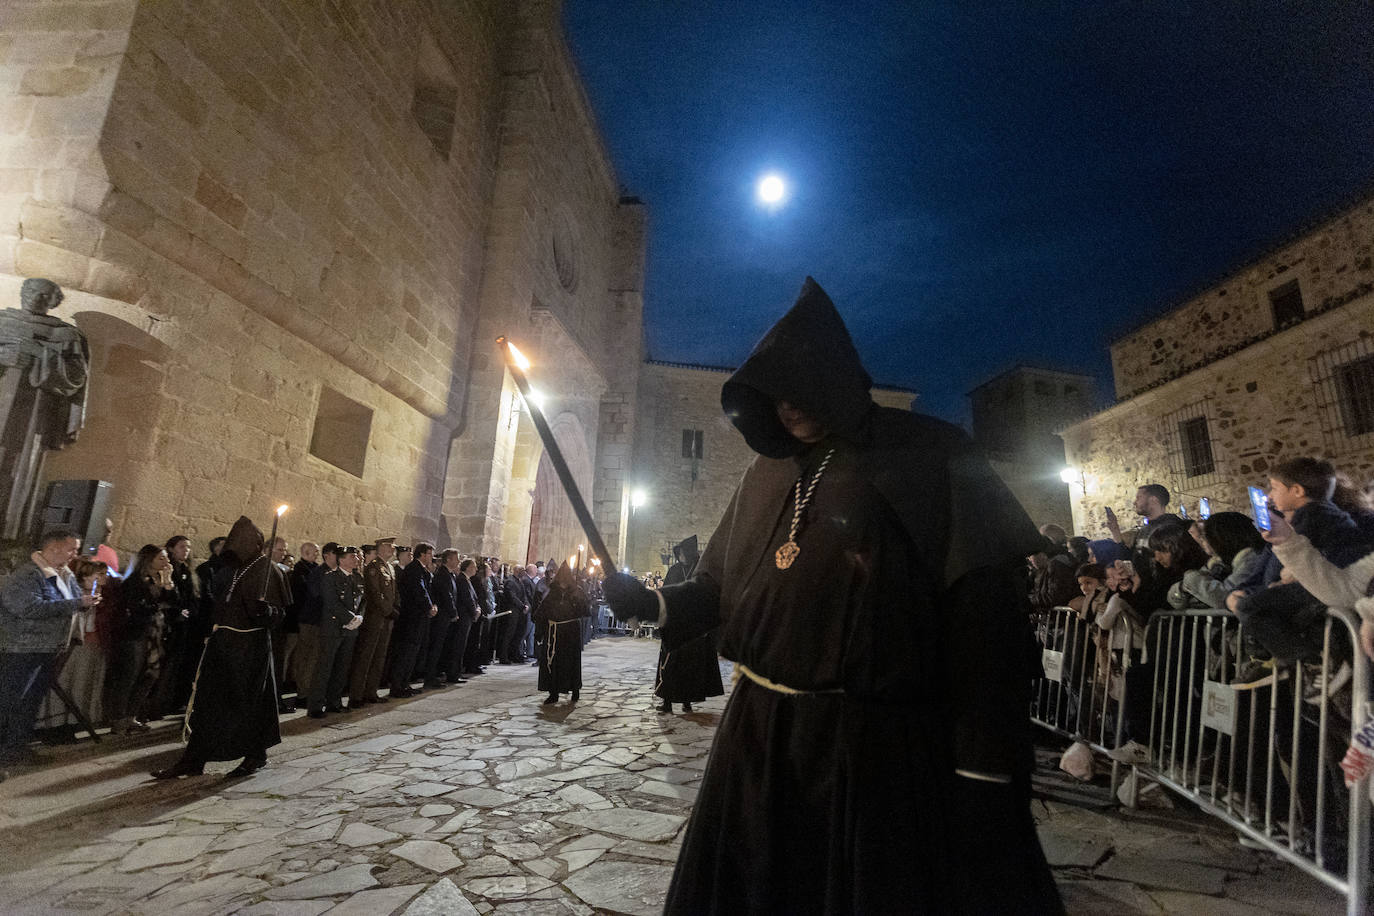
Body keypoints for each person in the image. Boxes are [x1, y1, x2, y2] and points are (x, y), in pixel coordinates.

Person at [601, 278, 1060, 915]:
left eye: (805, 387)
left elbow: (985, 621)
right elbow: (718, 588)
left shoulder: (927, 454)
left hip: (875, 749)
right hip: (759, 737)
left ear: (841, 378)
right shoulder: (766, 474)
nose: (791, 407)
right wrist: (648, 603)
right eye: (777, 394)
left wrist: (983, 765)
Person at [153, 515, 291, 779]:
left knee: (249, 704)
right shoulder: (233, 569)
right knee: (208, 703)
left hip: (251, 648)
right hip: (222, 645)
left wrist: (268, 611)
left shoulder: (268, 570)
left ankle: (255, 755)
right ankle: (194, 759)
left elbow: (279, 615)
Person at [0, 526, 96, 773]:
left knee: (30, 701)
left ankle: (17, 748)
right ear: (53, 548)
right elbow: (27, 608)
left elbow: (71, 602)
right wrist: (76, 603)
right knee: (11, 700)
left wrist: (85, 602)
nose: (76, 554)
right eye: (71, 549)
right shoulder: (27, 574)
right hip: (23, 648)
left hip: (48, 648)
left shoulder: (64, 574)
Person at [104, 545, 176, 734]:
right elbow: (140, 608)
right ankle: (118, 718)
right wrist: (160, 600)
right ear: (148, 559)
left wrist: (167, 583)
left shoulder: (157, 580)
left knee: (149, 675)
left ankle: (131, 716)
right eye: (161, 558)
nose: (166, 562)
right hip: (134, 634)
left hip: (154, 635)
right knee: (129, 676)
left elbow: (172, 603)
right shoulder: (134, 582)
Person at [654, 536, 723, 714]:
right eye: (680, 553)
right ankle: (667, 702)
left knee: (691, 668)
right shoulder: (675, 570)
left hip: (694, 631)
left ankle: (687, 702)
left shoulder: (700, 573)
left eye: (684, 553)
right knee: (670, 665)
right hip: (675, 627)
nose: (681, 556)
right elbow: (665, 593)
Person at [308, 545, 363, 717]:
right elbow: (331, 603)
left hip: (350, 630)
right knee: (324, 668)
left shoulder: (357, 578)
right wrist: (349, 619)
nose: (356, 559)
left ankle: (334, 702)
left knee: (342, 668)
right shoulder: (330, 578)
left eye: (356, 556)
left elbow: (362, 601)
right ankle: (315, 706)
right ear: (341, 559)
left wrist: (359, 618)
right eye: (351, 557)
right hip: (333, 628)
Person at [349, 536, 399, 706]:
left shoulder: (390, 568)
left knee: (379, 656)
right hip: (375, 617)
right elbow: (376, 593)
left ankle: (371, 691)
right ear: (381, 548)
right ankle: (356, 695)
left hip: (386, 618)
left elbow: (393, 592)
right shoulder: (373, 568)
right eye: (390, 546)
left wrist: (395, 608)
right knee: (366, 656)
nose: (393, 549)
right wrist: (388, 610)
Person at [534, 562, 591, 704]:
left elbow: (584, 611)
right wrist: (539, 632)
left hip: (570, 633)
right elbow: (542, 612)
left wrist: (577, 600)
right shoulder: (552, 592)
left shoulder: (577, 591)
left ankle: (574, 690)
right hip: (554, 632)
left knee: (570, 662)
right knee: (552, 662)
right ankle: (553, 693)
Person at [390, 542, 436, 698]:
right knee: (406, 653)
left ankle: (405, 684)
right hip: (411, 619)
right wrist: (429, 606)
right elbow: (419, 591)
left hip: (418, 618)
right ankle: (397, 686)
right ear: (422, 554)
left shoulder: (421, 569)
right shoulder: (414, 569)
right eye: (430, 554)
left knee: (412, 653)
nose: (432, 557)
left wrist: (431, 605)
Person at [424, 548, 461, 689]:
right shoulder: (443, 575)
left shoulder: (450, 575)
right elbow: (447, 596)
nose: (458, 561)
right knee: (435, 647)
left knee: (440, 648)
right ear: (449, 559)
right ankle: (430, 677)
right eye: (456, 558)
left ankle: (435, 675)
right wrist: (453, 613)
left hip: (445, 617)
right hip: (441, 617)